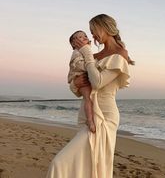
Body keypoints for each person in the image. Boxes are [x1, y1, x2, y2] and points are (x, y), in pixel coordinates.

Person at [46, 14, 134, 178]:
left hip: (104, 117)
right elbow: (77, 87)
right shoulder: (93, 56)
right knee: (84, 165)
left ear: (105, 28)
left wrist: (86, 51)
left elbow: (98, 82)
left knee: (59, 163)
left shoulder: (119, 54)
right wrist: (75, 83)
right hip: (85, 114)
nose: (92, 36)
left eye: (93, 31)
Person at [68, 30, 96, 133]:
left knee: (89, 99)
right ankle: (90, 121)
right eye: (80, 37)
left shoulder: (84, 50)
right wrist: (91, 68)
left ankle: (90, 119)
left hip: (84, 75)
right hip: (80, 75)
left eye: (85, 36)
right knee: (88, 99)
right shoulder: (76, 52)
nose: (84, 37)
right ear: (74, 43)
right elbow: (78, 64)